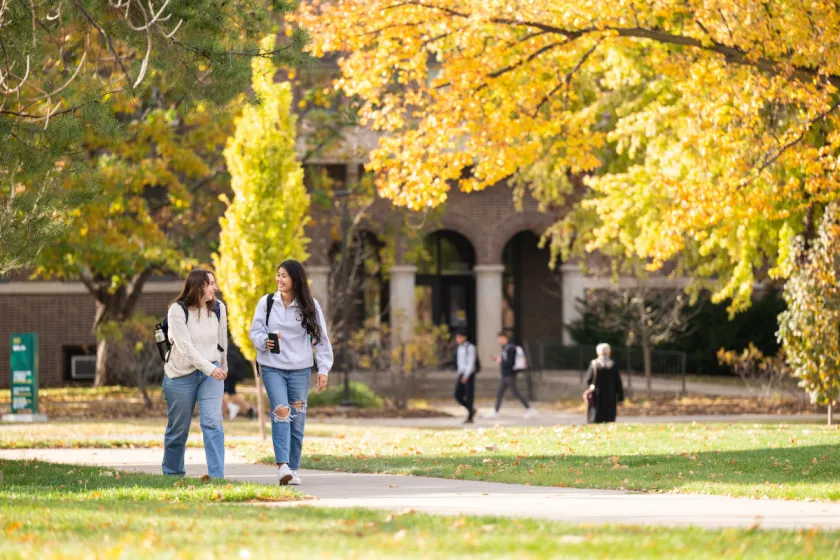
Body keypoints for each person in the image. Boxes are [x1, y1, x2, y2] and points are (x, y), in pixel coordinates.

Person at [249, 260, 333, 486]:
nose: (279, 279)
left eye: (284, 276)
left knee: (297, 420)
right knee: (281, 412)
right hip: (272, 367)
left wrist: (323, 369)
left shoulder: (310, 306)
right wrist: (263, 341)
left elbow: (321, 339)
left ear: (296, 279)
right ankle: (282, 466)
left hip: (300, 370)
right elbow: (255, 331)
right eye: (278, 275)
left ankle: (293, 469)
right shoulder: (267, 303)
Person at [162, 269, 228, 479]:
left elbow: (222, 342)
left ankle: (217, 477)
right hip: (181, 374)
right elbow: (185, 348)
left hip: (212, 372)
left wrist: (222, 368)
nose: (214, 288)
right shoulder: (177, 311)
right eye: (210, 284)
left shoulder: (218, 308)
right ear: (199, 286)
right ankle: (173, 474)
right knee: (178, 429)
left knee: (212, 423)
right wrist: (211, 369)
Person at [486, 331, 537, 419]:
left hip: (510, 374)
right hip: (505, 374)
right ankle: (496, 411)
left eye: (499, 339)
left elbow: (510, 363)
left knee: (515, 392)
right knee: (500, 392)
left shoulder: (510, 348)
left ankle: (529, 408)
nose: (498, 341)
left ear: (504, 338)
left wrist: (500, 361)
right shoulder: (506, 348)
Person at [583, 343, 625, 424]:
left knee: (595, 418)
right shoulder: (613, 365)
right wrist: (621, 398)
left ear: (598, 353)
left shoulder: (594, 364)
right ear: (609, 353)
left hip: (597, 395)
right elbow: (618, 383)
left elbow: (588, 380)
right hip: (610, 396)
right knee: (609, 420)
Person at [453, 329, 477, 424]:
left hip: (469, 373)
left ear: (464, 338)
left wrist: (466, 375)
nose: (457, 339)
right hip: (461, 372)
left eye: (459, 337)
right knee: (457, 394)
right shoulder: (459, 348)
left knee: (469, 394)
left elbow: (471, 362)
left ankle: (470, 416)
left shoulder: (470, 347)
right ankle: (471, 409)